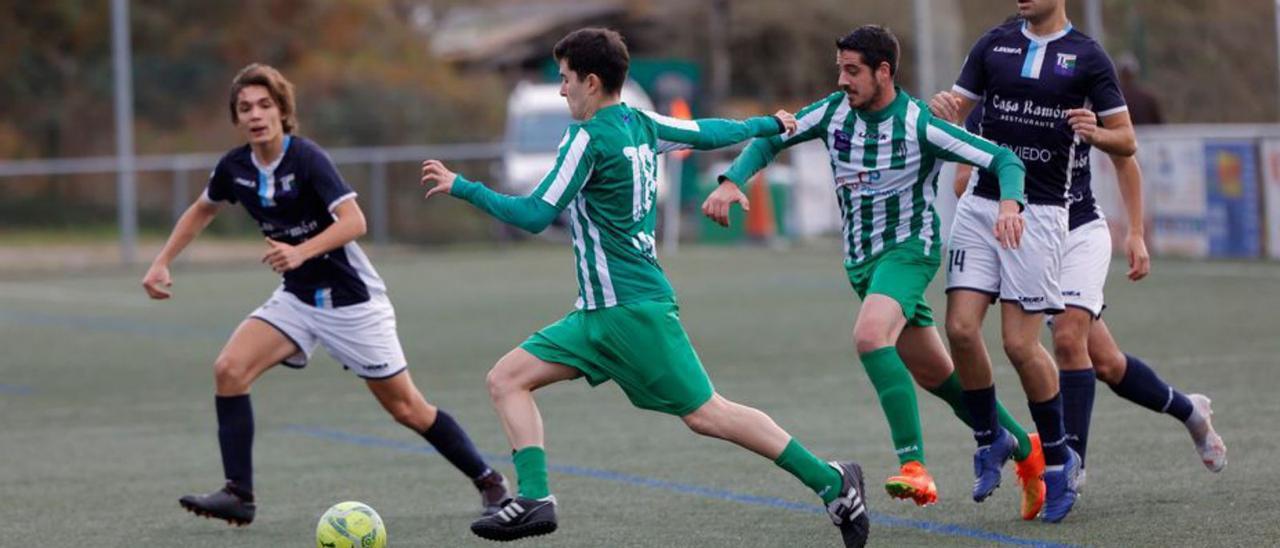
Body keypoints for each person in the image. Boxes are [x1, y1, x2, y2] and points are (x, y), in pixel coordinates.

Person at [420, 28, 870, 547]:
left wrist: (464, 187)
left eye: (565, 80)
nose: (562, 91)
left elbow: (535, 214)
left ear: (591, 82)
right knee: (506, 379)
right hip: (597, 314)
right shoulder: (640, 123)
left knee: (709, 414)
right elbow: (704, 132)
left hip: (630, 312)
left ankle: (833, 482)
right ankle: (536, 498)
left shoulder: (586, 138)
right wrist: (764, 123)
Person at [701, 24, 1047, 520]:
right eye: (839, 68)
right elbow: (775, 138)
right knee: (940, 378)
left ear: (884, 72)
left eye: (852, 70)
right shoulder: (833, 111)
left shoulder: (919, 124)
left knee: (869, 337)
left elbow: (1002, 158)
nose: (842, 79)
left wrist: (1010, 203)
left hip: (909, 252)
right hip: (863, 264)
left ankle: (914, 465)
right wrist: (734, 181)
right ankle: (1025, 451)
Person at [141, 63, 510, 526]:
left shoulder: (308, 159)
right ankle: (239, 494)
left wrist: (300, 251)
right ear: (236, 118)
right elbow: (201, 210)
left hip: (352, 303)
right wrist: (161, 261)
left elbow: (355, 222)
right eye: (244, 108)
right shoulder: (234, 168)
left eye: (264, 105)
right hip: (297, 300)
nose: (255, 115)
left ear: (282, 111)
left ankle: (489, 479)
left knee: (407, 408)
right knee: (229, 370)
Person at [949, 67, 1225, 489]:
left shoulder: (1073, 94)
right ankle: (1191, 411)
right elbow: (962, 183)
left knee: (1066, 338)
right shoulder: (986, 106)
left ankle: (1071, 466)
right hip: (1027, 241)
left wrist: (1134, 232)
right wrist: (1002, 194)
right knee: (1109, 364)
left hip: (1078, 231)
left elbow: (1124, 159)